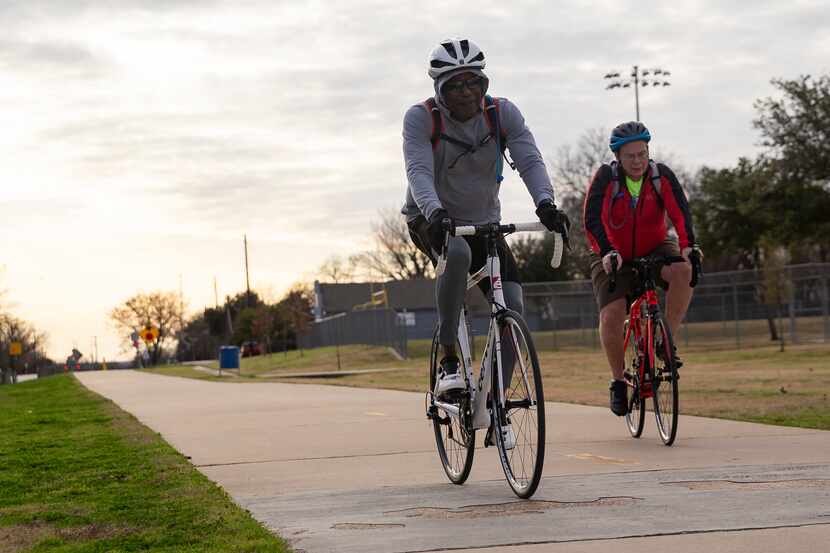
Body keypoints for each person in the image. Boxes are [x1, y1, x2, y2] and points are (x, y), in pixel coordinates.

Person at [402, 38, 569, 400]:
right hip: (430, 218)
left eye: (472, 81)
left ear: (484, 83)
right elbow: (418, 172)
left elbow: (530, 160)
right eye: (455, 85)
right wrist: (436, 214)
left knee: (513, 306)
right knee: (457, 255)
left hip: (483, 221)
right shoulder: (421, 118)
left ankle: (496, 399)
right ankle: (449, 361)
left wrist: (546, 204)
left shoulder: (502, 114)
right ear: (440, 89)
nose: (466, 92)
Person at [583, 121, 701, 416]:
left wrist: (688, 245)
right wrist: (608, 251)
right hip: (611, 252)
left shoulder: (661, 177)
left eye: (642, 154)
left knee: (685, 270)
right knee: (612, 314)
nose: (637, 161)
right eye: (630, 156)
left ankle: (665, 340)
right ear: (618, 157)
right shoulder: (605, 179)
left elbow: (680, 213)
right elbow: (592, 221)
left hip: (655, 246)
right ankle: (618, 381)